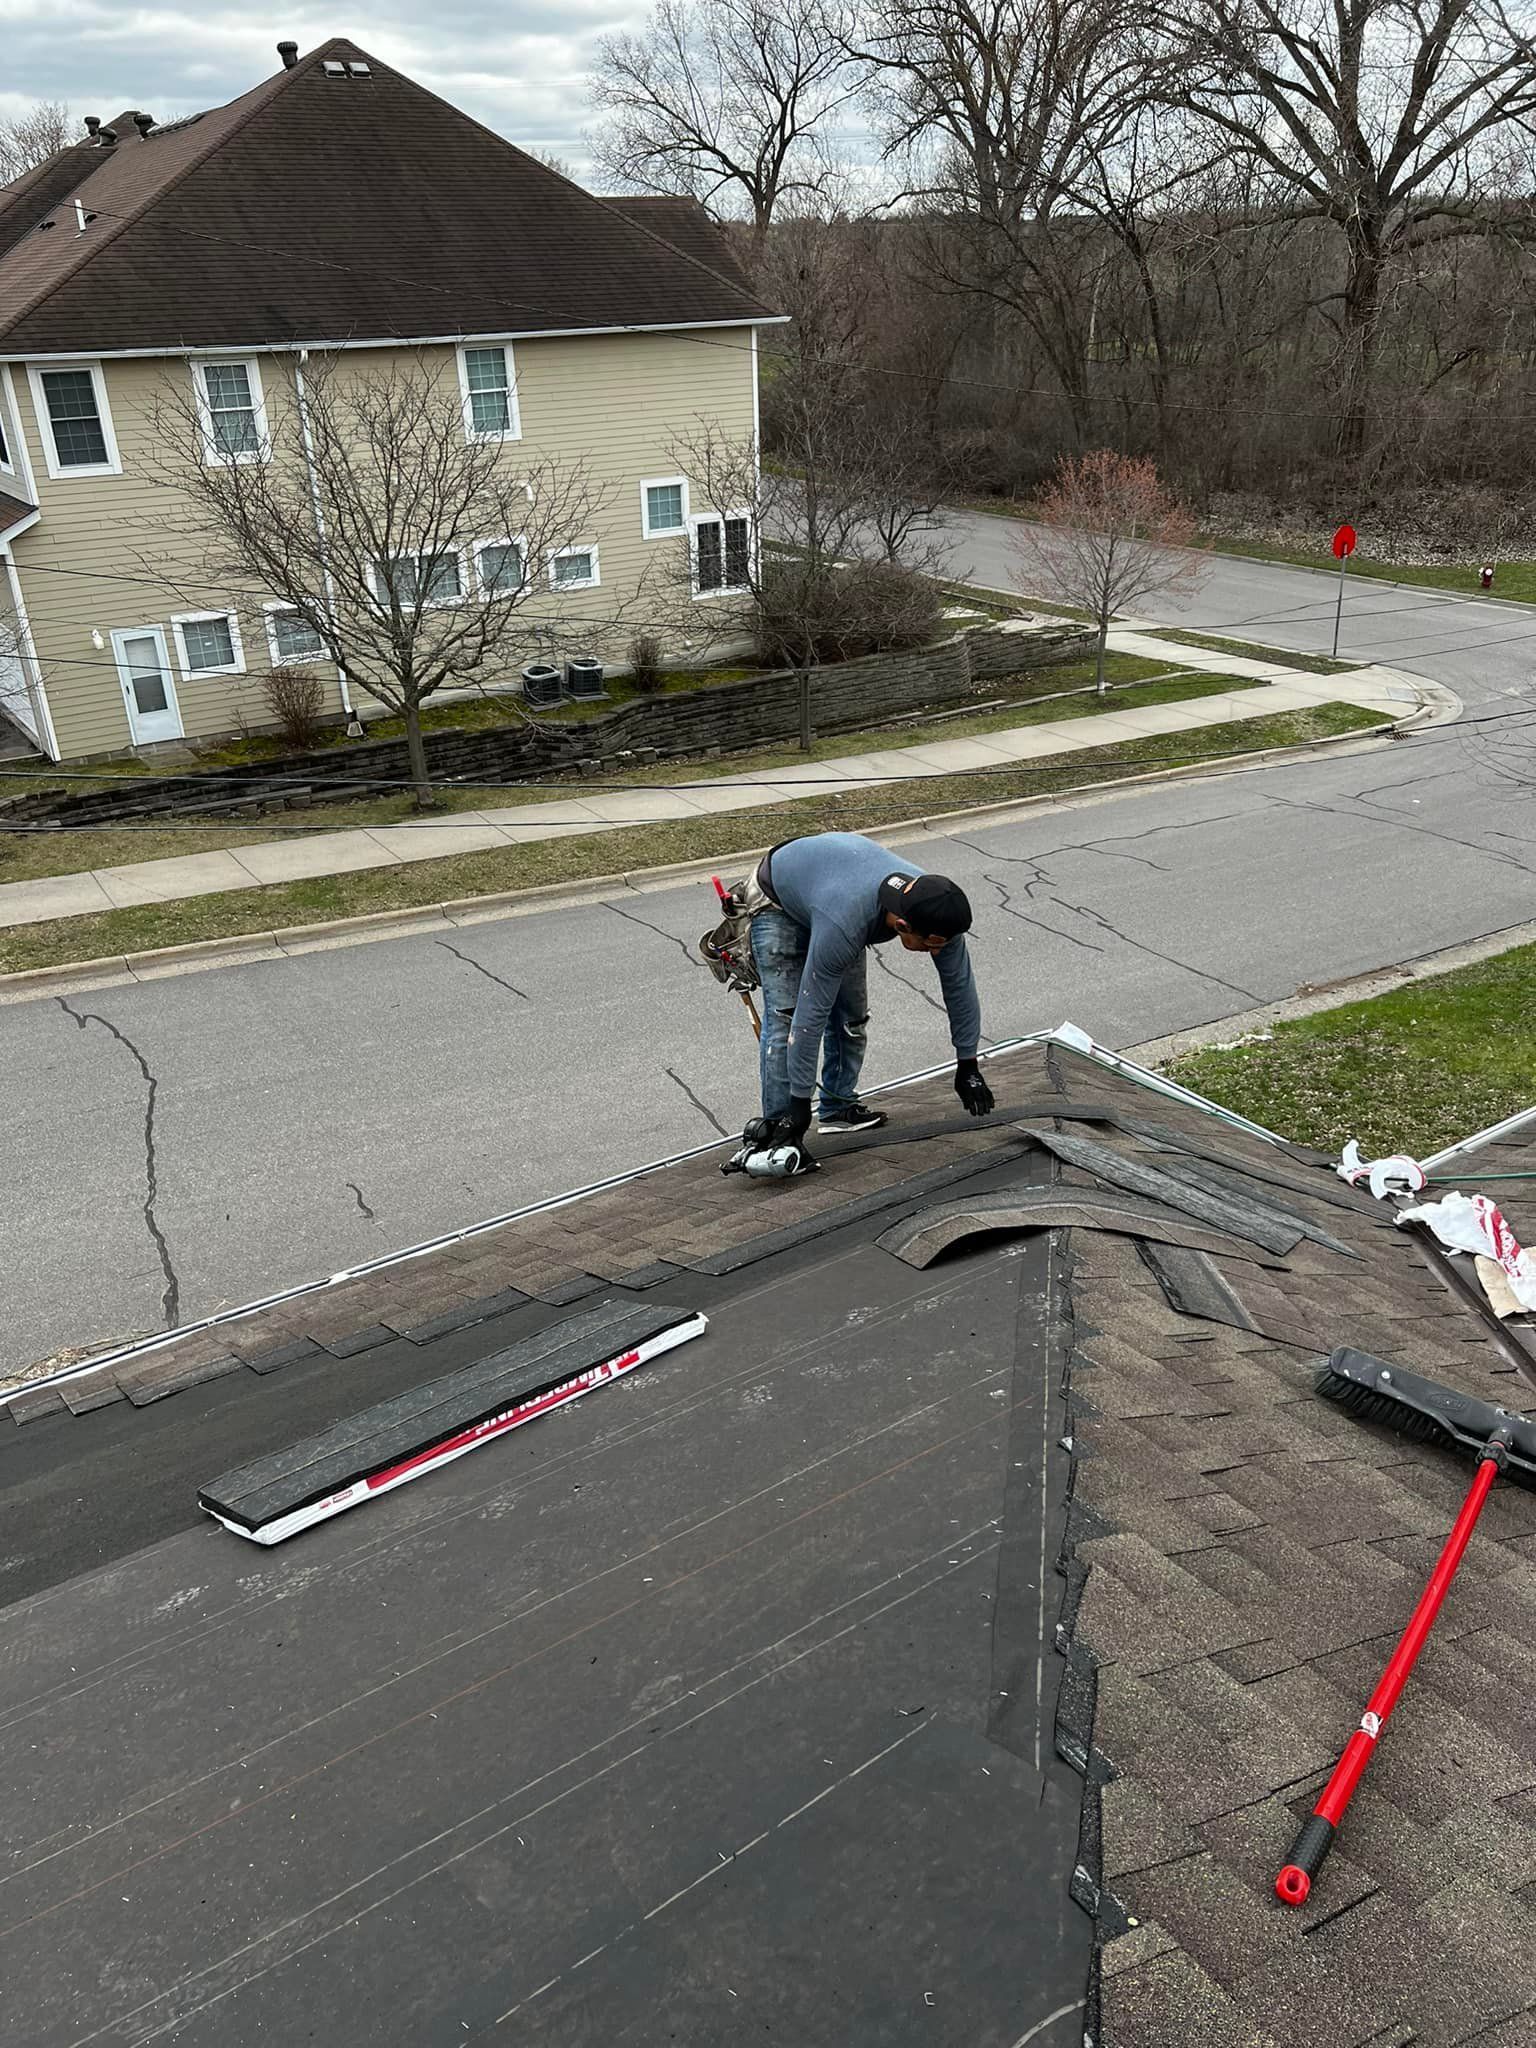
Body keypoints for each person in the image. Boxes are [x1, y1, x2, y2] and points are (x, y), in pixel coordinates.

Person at [744, 831, 994, 1144]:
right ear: (903, 926)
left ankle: (837, 1108)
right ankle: (779, 1131)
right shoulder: (846, 924)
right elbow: (809, 1018)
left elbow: (959, 986)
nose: (936, 953)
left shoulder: (936, 909)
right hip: (777, 898)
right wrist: (799, 1104)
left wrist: (967, 1064)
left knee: (852, 1016)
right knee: (787, 1018)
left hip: (830, 884)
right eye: (930, 946)